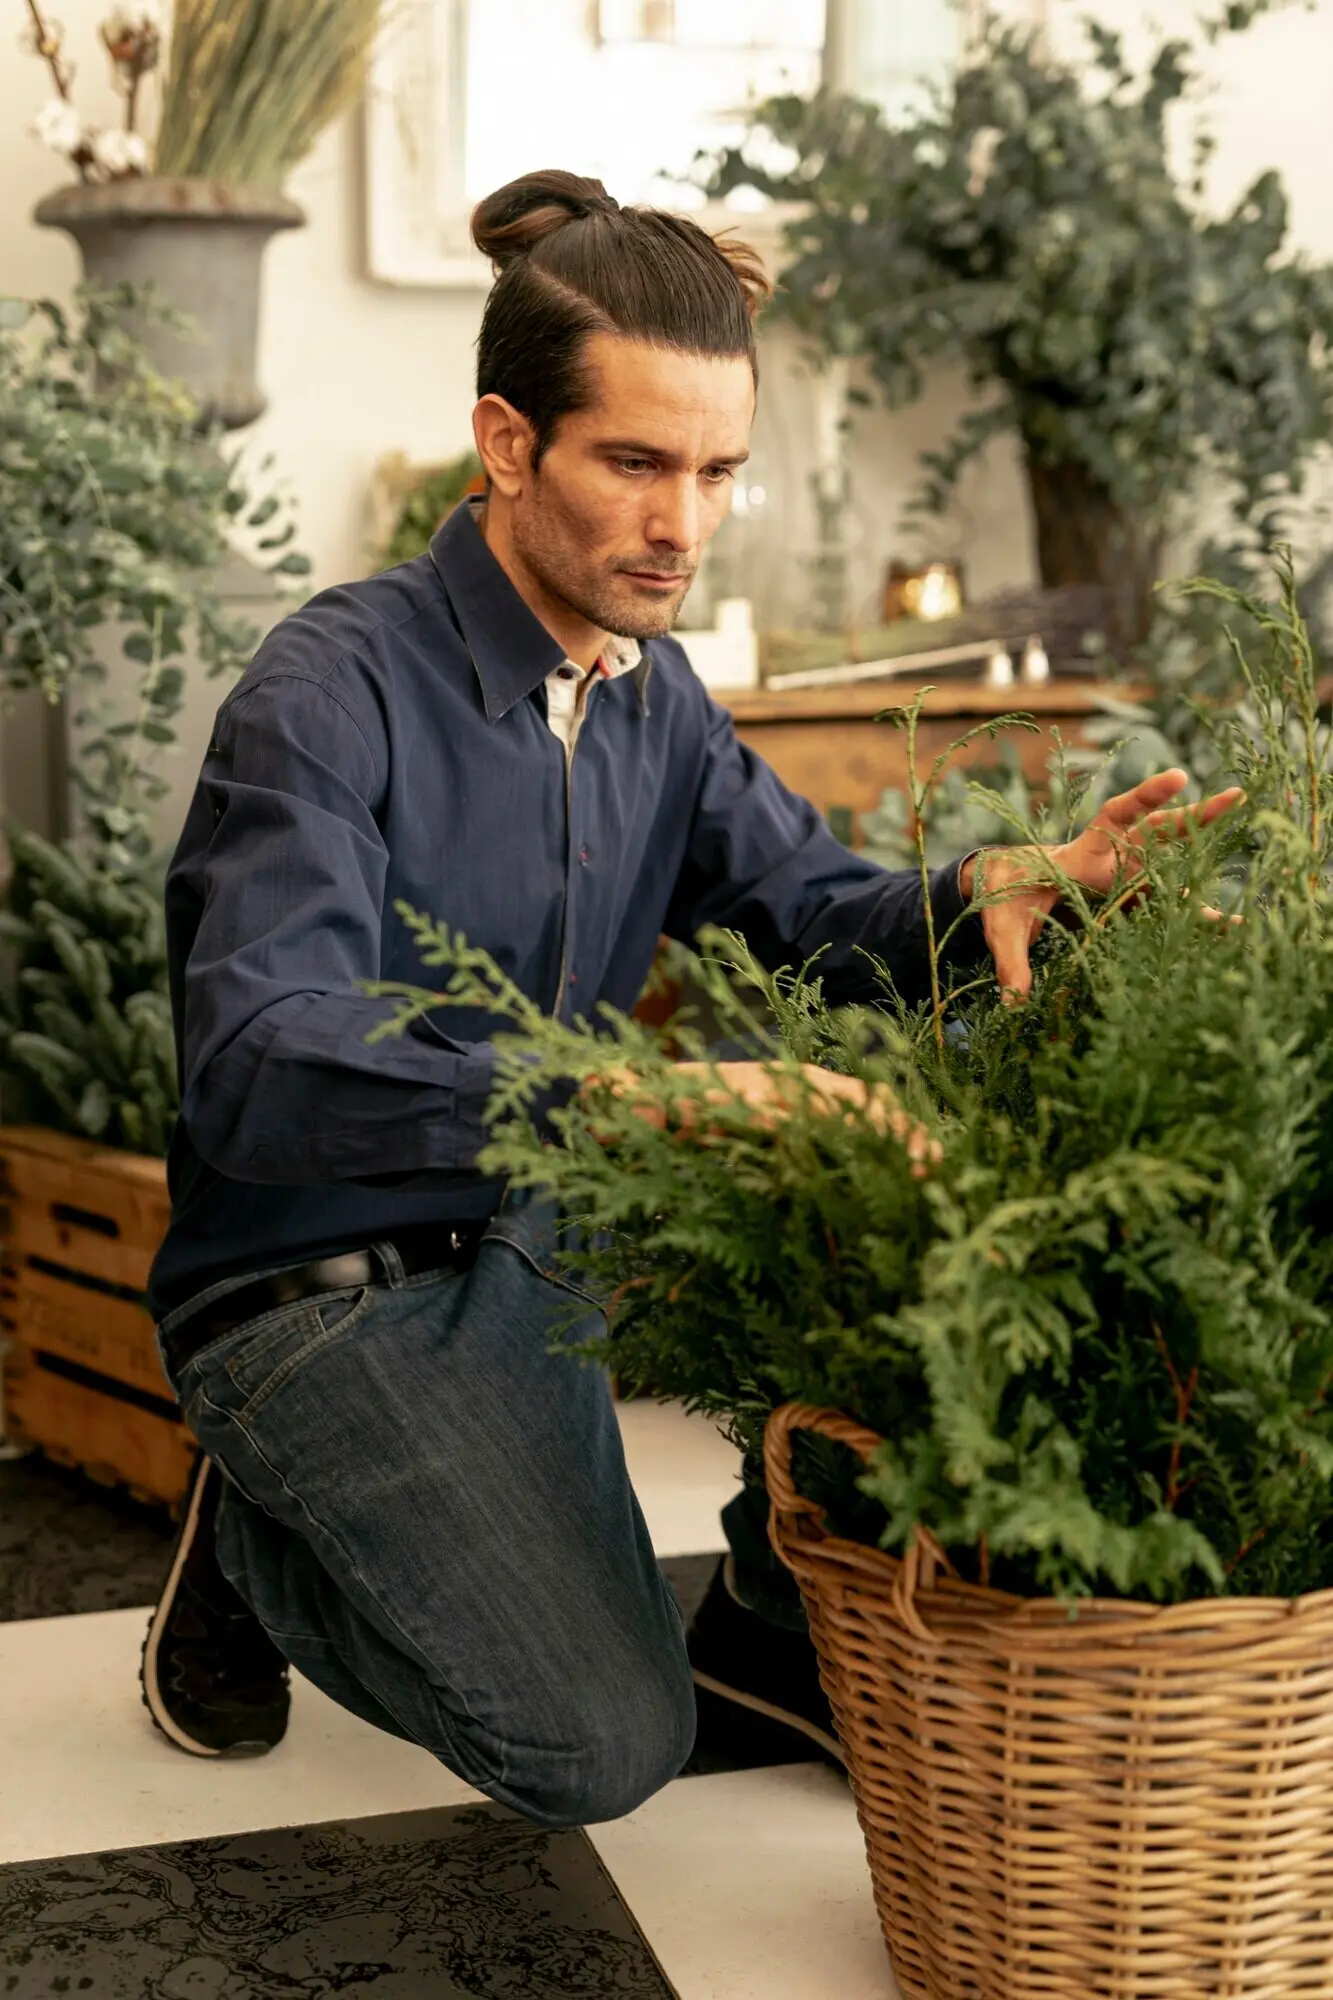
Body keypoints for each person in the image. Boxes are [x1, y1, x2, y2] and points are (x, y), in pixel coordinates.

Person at [140, 169, 1241, 1826]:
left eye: (718, 472)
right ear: (509, 446)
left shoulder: (656, 703)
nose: (684, 525)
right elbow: (257, 1065)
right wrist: (627, 1103)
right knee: (596, 1750)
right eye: (638, 465)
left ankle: (775, 1619)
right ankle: (251, 1541)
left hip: (543, 1234)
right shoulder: (329, 686)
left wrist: (998, 889)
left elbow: (814, 915)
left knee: (920, 1126)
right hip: (319, 1284)